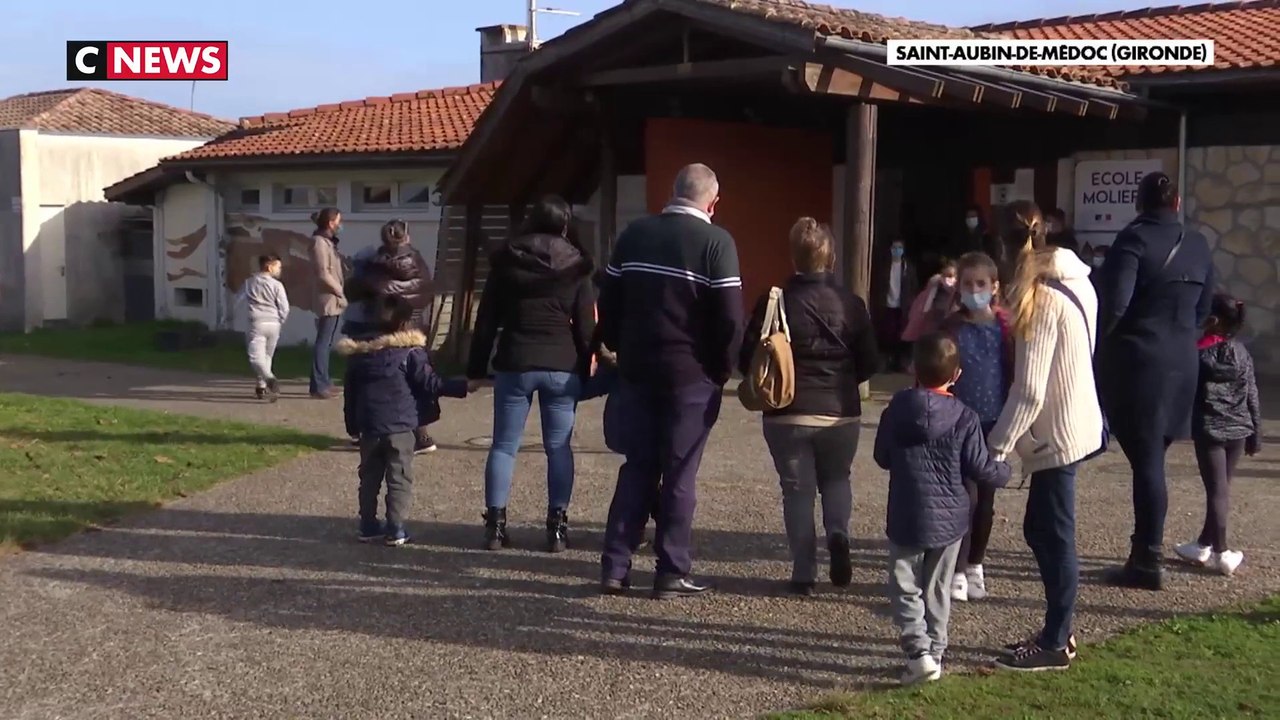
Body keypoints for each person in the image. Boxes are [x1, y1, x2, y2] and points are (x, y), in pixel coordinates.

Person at [596, 163, 743, 599]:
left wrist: (617, 346)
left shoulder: (634, 234)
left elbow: (609, 301)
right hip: (690, 373)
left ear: (673, 191)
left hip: (638, 368)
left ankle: (615, 567)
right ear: (713, 202)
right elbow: (731, 320)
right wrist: (721, 368)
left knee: (637, 466)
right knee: (680, 473)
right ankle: (671, 570)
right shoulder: (717, 243)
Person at [986, 200, 1104, 672]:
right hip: (1073, 420)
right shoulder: (1077, 281)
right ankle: (1058, 630)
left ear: (1002, 246)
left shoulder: (1040, 298)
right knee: (1043, 529)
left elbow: (1030, 390)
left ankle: (1057, 640)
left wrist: (995, 447)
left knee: (1054, 534)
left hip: (1058, 432)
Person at [740, 218, 879, 597]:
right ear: (830, 256)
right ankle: (838, 533)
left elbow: (747, 358)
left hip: (788, 411)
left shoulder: (775, 302)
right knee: (837, 478)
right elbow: (871, 362)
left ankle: (804, 572)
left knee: (797, 491)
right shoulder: (851, 303)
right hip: (840, 410)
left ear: (794, 257)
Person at [1096, 172, 1214, 591]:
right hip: (1182, 361)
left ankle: (1146, 559)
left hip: (1139, 362)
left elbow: (1115, 304)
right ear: (1177, 202)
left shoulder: (1133, 242)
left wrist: (1098, 351)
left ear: (1139, 203)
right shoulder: (1198, 244)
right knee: (1152, 460)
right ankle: (1144, 553)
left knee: (1147, 464)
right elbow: (1204, 308)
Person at [874, 333, 1010, 685]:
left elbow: (882, 457)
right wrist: (1004, 471)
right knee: (938, 587)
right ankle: (934, 651)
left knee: (905, 584)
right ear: (957, 375)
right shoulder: (965, 418)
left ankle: (918, 651)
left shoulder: (896, 410)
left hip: (907, 512)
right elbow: (980, 469)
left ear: (912, 369)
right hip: (951, 518)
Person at [467, 195, 596, 553]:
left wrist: (476, 368)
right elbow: (586, 326)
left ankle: (495, 526)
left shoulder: (506, 261)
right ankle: (556, 529)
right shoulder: (577, 265)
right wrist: (587, 367)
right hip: (561, 364)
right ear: (565, 224)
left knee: (505, 446)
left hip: (515, 361)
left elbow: (486, 321)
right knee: (558, 447)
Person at [337, 295, 472, 546]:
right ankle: (395, 527)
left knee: (369, 477)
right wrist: (463, 386)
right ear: (405, 323)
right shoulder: (410, 354)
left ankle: (367, 525)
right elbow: (431, 383)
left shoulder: (359, 356)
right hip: (401, 427)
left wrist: (352, 426)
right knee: (399, 476)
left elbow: (350, 394)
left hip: (370, 427)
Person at [940, 252, 1013, 602]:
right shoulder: (952, 326)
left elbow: (1014, 372)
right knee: (962, 497)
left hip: (995, 421)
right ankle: (956, 567)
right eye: (967, 284)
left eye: (980, 284)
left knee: (986, 497)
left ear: (994, 287)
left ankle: (976, 565)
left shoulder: (1005, 328)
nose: (974, 291)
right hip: (958, 422)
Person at [1175, 293, 1261, 576]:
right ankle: (1203, 543)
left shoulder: (1197, 353)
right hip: (1238, 429)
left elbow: (1184, 390)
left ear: (1211, 320)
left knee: (1216, 490)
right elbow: (1252, 394)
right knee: (1221, 488)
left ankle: (1222, 551)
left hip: (1210, 430)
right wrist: (1255, 433)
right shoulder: (1242, 353)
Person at [344, 219, 438, 453]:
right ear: (406, 237)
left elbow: (352, 290)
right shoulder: (417, 261)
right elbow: (425, 291)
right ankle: (421, 434)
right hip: (411, 325)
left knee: (374, 377)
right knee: (416, 379)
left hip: (380, 324)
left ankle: (367, 428)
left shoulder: (372, 264)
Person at [237, 253, 289, 401]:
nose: (280, 270)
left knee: (255, 356)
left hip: (257, 322)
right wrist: (281, 320)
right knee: (267, 356)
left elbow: (238, 299)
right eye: (278, 267)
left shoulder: (249, 283)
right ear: (269, 267)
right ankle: (261, 386)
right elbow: (284, 307)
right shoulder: (277, 285)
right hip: (274, 323)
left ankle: (269, 378)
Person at [309, 207, 347, 399]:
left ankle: (324, 381)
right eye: (338, 221)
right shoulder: (319, 243)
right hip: (328, 298)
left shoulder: (328, 242)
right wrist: (339, 292)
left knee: (327, 341)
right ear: (331, 222)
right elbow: (323, 273)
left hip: (334, 298)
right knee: (323, 342)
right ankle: (318, 385)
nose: (340, 225)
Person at [872, 239, 919, 372]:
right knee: (887, 335)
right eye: (894, 247)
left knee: (901, 335)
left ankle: (899, 363)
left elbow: (914, 286)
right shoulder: (884, 266)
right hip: (887, 305)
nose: (897, 250)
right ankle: (888, 363)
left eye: (899, 248)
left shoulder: (908, 267)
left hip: (903, 306)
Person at [901, 259, 958, 346]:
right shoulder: (933, 286)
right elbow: (920, 308)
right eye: (946, 276)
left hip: (947, 322)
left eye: (951, 276)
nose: (948, 279)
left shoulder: (957, 292)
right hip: (932, 320)